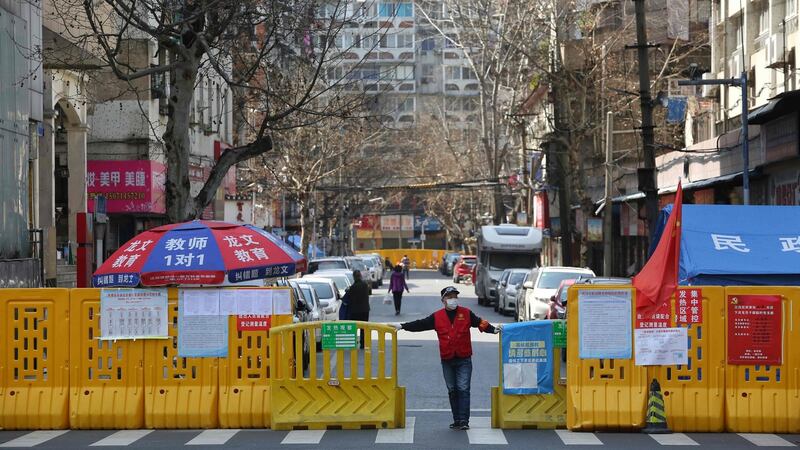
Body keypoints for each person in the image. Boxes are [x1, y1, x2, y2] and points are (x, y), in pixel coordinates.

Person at [389, 286, 500, 430]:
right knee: (452, 390)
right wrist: (402, 326)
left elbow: (480, 323)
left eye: (454, 296)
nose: (452, 299)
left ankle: (464, 420)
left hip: (464, 358)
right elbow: (420, 324)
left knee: (463, 388)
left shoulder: (466, 313)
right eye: (449, 297)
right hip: (447, 359)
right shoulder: (437, 317)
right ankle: (457, 420)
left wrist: (493, 329)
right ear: (443, 300)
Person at [345, 270, 371, 348]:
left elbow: (349, 297)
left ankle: (353, 342)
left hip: (355, 310)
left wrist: (348, 290)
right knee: (364, 327)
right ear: (360, 276)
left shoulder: (353, 287)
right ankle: (363, 343)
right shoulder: (365, 285)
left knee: (354, 327)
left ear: (354, 277)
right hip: (365, 310)